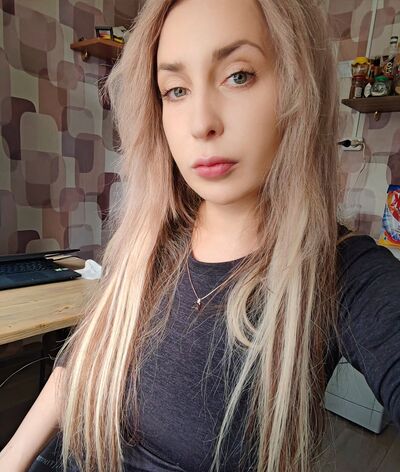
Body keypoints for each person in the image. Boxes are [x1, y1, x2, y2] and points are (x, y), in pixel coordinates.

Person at [1, 0, 400, 471]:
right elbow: (78, 365)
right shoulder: (150, 238)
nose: (200, 123)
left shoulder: (342, 272)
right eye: (176, 90)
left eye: (238, 75)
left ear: (298, 87)